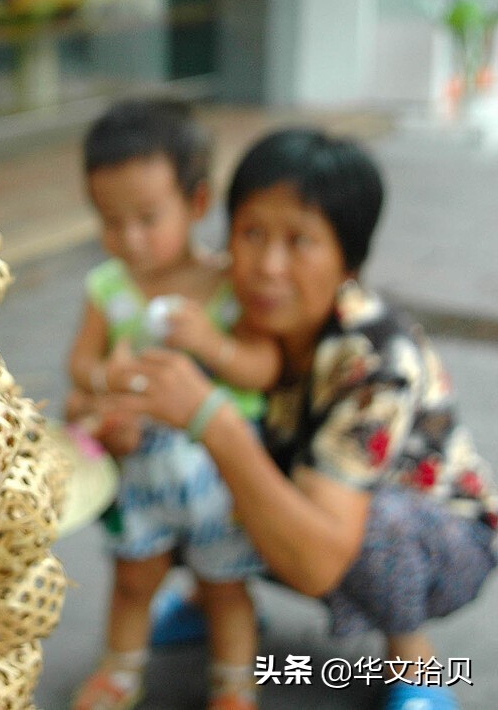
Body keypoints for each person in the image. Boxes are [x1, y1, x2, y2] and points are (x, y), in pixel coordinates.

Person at [105, 128, 498, 710]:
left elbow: (318, 565)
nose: (266, 266)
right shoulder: (219, 304)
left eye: (300, 241)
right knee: (160, 463)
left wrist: (211, 420)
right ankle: (212, 598)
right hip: (298, 492)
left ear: (349, 258)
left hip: (435, 539)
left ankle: (414, 662)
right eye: (251, 233)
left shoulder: (376, 358)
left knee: (369, 523)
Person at [66, 99, 282, 710]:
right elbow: (79, 363)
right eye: (110, 220)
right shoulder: (108, 288)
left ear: (197, 204)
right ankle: (120, 671)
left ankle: (235, 685)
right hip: (140, 467)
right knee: (134, 578)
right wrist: (105, 372)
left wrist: (213, 343)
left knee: (224, 584)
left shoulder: (225, 285)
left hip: (218, 469)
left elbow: (261, 369)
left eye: (147, 218)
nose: (128, 239)